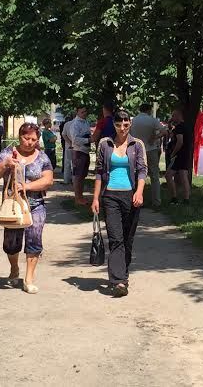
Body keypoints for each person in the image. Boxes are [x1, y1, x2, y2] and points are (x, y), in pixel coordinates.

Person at [0, 123, 54, 294]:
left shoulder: (42, 158)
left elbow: (48, 180)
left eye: (34, 139)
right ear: (20, 136)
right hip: (13, 206)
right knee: (11, 244)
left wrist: (28, 186)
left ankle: (29, 278)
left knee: (34, 241)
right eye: (26, 138)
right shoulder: (7, 153)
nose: (30, 142)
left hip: (35, 205)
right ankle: (14, 269)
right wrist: (5, 164)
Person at [91, 110, 147, 297]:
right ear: (113, 125)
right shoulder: (105, 144)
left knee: (127, 240)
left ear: (130, 124)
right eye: (118, 125)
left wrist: (139, 192)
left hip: (131, 196)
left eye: (126, 124)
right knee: (115, 239)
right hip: (110, 196)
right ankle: (118, 281)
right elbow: (99, 172)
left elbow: (142, 170)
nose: (122, 128)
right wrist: (96, 198)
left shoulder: (137, 144)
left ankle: (123, 273)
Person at [130, 103, 165, 207]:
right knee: (154, 176)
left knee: (137, 175)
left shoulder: (134, 120)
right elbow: (164, 131)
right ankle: (156, 201)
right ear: (149, 110)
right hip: (151, 149)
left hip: (137, 150)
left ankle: (136, 199)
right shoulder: (153, 120)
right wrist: (155, 137)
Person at [165, 108, 191, 204]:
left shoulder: (179, 128)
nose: (172, 118)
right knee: (183, 176)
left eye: (173, 116)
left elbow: (180, 141)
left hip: (178, 155)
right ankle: (186, 199)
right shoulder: (185, 126)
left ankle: (174, 198)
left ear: (179, 116)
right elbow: (171, 133)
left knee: (168, 175)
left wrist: (173, 153)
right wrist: (169, 124)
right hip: (185, 154)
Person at [67, 105, 92, 204]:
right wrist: (88, 139)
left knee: (82, 175)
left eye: (85, 111)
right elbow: (75, 139)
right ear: (77, 112)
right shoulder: (75, 124)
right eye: (82, 112)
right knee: (78, 175)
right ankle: (78, 198)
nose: (84, 113)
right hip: (78, 151)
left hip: (85, 151)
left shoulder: (86, 122)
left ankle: (81, 196)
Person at [62, 116, 74, 185]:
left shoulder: (67, 124)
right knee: (75, 163)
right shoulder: (79, 124)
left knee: (67, 163)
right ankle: (74, 180)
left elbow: (63, 134)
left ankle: (66, 180)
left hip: (68, 145)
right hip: (77, 146)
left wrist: (69, 142)